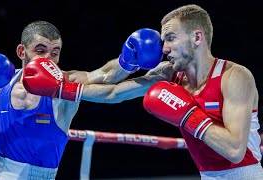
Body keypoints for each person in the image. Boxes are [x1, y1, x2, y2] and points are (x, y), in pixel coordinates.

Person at [0, 20, 169, 179]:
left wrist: (129, 62)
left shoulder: (65, 83)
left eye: (55, 52)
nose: (48, 59)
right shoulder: (3, 81)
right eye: (40, 50)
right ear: (22, 52)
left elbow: (105, 76)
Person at [78, 4, 263, 179]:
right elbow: (113, 93)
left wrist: (188, 115)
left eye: (171, 38)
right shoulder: (167, 74)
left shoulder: (234, 77)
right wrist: (65, 89)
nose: (164, 48)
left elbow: (235, 151)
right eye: (163, 40)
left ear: (197, 38)